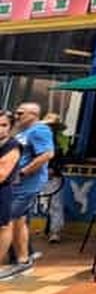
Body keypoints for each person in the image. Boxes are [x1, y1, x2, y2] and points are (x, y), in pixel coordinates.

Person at [8, 103, 54, 273]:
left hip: (27, 184)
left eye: (20, 113)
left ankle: (22, 259)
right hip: (15, 184)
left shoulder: (39, 130)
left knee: (10, 218)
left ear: (33, 114)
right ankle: (23, 255)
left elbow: (47, 154)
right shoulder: (23, 132)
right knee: (20, 219)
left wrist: (23, 172)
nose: (17, 115)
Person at [0, 111, 22, 267]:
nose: (0, 128)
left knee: (2, 227)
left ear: (10, 127)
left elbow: (1, 174)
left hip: (2, 191)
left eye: (4, 125)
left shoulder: (12, 146)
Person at [42, 113, 68, 243]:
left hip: (53, 177)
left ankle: (55, 232)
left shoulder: (61, 141)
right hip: (37, 175)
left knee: (56, 204)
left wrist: (54, 169)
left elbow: (63, 158)